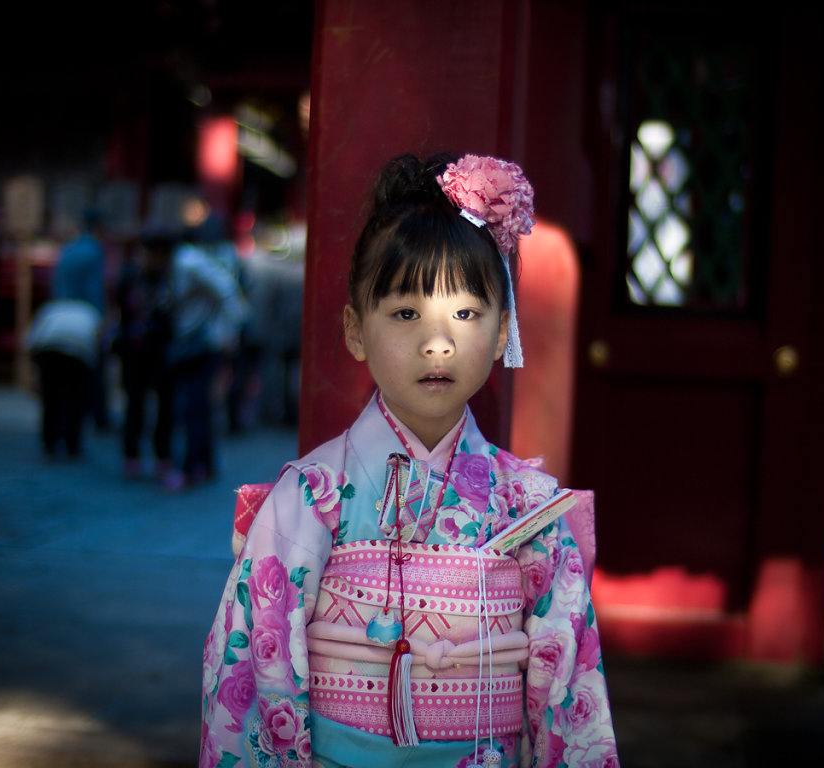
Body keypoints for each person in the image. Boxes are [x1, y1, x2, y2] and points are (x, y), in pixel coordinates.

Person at [200, 153, 619, 767]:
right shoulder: (312, 496)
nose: (438, 340)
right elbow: (255, 664)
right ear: (355, 329)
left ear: (503, 331)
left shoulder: (528, 506)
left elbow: (567, 684)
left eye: (468, 314)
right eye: (405, 313)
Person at [166, 222, 249, 488]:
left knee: (193, 406)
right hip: (203, 342)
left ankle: (193, 467)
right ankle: (204, 464)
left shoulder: (186, 262)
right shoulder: (201, 259)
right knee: (200, 405)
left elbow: (227, 292)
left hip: (199, 344)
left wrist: (227, 331)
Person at [112, 230, 176, 480]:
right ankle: (132, 456)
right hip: (134, 351)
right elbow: (121, 310)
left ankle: (162, 456)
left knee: (164, 409)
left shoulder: (170, 279)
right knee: (134, 406)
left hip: (161, 351)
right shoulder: (131, 276)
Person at [53, 207, 110, 429]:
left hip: (61, 312)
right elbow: (94, 288)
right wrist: (101, 317)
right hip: (84, 315)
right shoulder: (94, 250)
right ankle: (97, 415)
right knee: (92, 369)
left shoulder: (69, 248)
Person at [25, 297, 102, 459]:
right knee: (76, 401)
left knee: (50, 400)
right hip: (79, 352)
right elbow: (100, 341)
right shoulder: (90, 311)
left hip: (49, 349)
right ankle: (72, 444)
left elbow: (32, 340)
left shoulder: (50, 308)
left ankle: (49, 443)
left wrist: (33, 374)